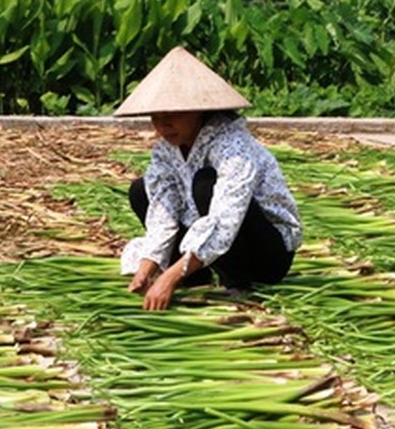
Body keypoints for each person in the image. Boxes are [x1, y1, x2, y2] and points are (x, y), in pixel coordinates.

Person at [114, 46, 303, 311]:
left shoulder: (231, 145)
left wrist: (170, 277)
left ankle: (238, 283)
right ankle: (197, 276)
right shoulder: (166, 151)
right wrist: (147, 267)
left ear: (199, 111)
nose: (163, 125)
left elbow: (226, 219)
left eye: (172, 115)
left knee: (205, 185)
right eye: (156, 117)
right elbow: (163, 212)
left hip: (265, 255)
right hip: (211, 246)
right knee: (141, 190)